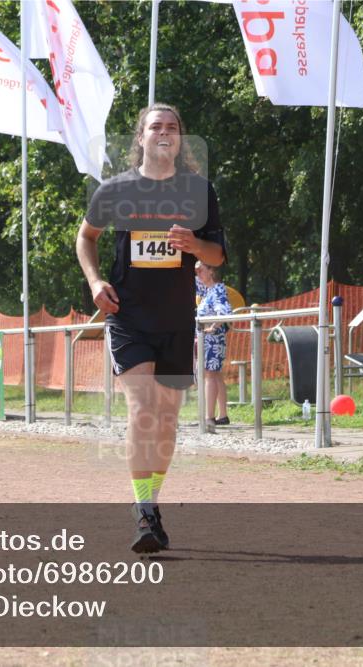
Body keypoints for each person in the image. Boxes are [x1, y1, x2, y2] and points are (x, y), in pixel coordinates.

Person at [77, 103, 226, 553]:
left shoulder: (198, 191)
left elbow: (217, 256)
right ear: (140, 138)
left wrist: (194, 244)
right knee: (143, 410)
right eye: (155, 126)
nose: (165, 133)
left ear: (180, 140)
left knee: (167, 419)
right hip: (129, 316)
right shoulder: (117, 189)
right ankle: (144, 514)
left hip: (178, 319)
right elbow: (86, 237)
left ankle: (153, 503)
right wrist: (96, 280)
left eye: (173, 127)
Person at [195, 261, 232, 427]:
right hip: (210, 339)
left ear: (211, 271)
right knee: (215, 375)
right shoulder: (208, 290)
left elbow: (224, 311)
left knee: (210, 375)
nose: (198, 274)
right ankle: (222, 415)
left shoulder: (217, 289)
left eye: (200, 270)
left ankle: (209, 416)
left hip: (213, 339)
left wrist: (212, 327)